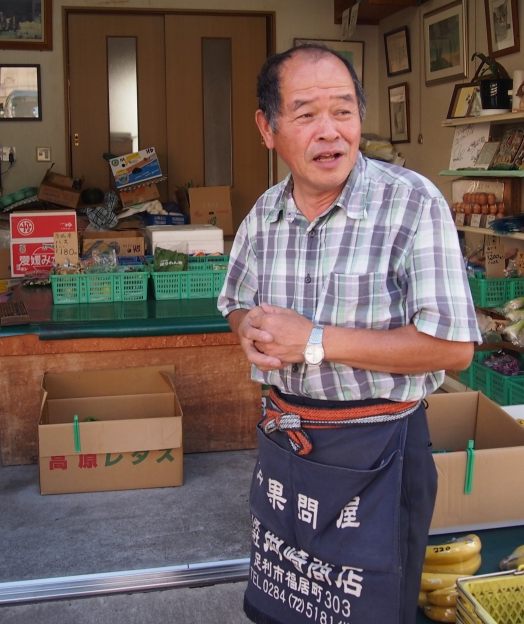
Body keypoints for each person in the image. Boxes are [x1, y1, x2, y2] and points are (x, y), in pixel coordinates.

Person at [218, 44, 480, 624]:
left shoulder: (411, 204)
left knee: (369, 612)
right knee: (284, 605)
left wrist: (316, 340)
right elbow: (234, 300)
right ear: (269, 127)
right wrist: (249, 327)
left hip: (381, 448)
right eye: (306, 113)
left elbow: (454, 347)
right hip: (289, 443)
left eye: (344, 110)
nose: (329, 131)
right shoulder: (265, 215)